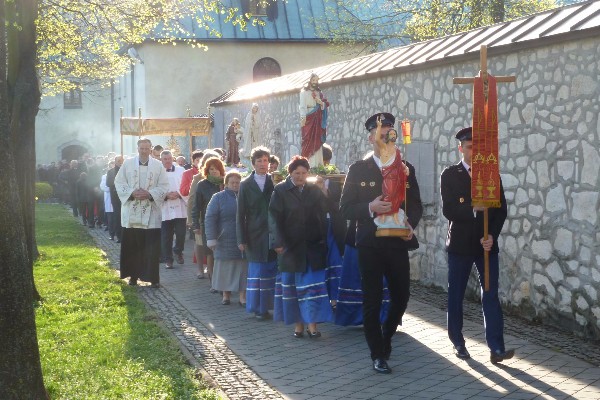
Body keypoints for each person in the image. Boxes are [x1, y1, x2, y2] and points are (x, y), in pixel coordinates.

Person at [339, 112, 423, 374]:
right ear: (371, 138)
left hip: (397, 241)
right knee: (372, 300)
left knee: (401, 296)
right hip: (370, 243)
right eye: (380, 131)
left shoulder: (404, 167)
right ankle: (377, 354)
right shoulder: (358, 169)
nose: (386, 134)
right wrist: (370, 206)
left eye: (389, 130)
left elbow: (416, 205)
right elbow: (345, 208)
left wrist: (410, 224)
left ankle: (386, 336)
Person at [441, 126, 514, 364]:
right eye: (470, 147)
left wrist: (492, 235)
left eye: (478, 147)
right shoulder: (450, 175)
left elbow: (501, 209)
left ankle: (497, 347)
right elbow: (449, 209)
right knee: (456, 295)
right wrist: (472, 210)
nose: (474, 151)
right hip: (460, 246)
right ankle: (458, 342)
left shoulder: (491, 173)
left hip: (485, 246)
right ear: (460, 148)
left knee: (490, 295)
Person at [269, 156, 333, 338]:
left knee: (312, 288)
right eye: (297, 173)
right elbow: (273, 218)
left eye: (304, 173)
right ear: (290, 173)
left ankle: (312, 325)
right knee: (295, 288)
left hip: (313, 246)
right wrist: (277, 242)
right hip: (291, 248)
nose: (300, 176)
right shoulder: (281, 190)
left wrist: (324, 191)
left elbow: (326, 210)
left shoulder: (313, 189)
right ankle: (298, 325)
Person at [114, 138, 169, 288]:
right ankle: (133, 276)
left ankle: (153, 278)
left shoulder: (158, 166)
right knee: (132, 247)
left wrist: (150, 194)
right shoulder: (128, 164)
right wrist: (132, 193)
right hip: (132, 211)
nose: (144, 151)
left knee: (151, 248)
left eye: (146, 148)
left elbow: (164, 185)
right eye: (141, 148)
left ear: (151, 149)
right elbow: (119, 182)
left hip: (151, 213)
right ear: (137, 149)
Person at [236, 146, 277, 320]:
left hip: (273, 232)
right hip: (254, 234)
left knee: (271, 270)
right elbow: (240, 214)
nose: (263, 164)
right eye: (259, 161)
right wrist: (241, 239)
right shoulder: (245, 185)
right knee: (257, 271)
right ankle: (258, 308)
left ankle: (271, 307)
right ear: (253, 164)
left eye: (266, 160)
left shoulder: (275, 182)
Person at [205, 171, 247, 306]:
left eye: (238, 182)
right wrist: (211, 238)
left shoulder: (245, 196)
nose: (235, 185)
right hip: (224, 238)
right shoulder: (218, 197)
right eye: (232, 182)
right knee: (225, 268)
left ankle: (242, 296)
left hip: (242, 238)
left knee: (243, 269)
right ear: (226, 184)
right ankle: (226, 294)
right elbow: (210, 218)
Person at [191, 156, 225, 288]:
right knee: (210, 252)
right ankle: (213, 280)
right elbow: (196, 206)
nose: (214, 171)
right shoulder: (202, 185)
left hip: (224, 222)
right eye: (211, 169)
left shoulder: (225, 182)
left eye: (217, 168)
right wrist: (196, 224)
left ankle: (223, 280)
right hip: (208, 222)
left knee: (222, 252)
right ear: (207, 170)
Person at [187, 150, 218, 279]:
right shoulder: (198, 178)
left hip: (215, 218)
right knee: (199, 243)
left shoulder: (221, 178)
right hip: (200, 216)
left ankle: (214, 271)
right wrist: (192, 220)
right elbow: (192, 199)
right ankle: (200, 268)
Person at [160, 150, 187, 269]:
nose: (167, 161)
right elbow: (154, 187)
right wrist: (165, 195)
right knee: (166, 235)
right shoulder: (157, 172)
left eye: (169, 159)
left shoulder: (181, 170)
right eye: (165, 159)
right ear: (161, 160)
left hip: (180, 206)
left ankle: (178, 250)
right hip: (165, 207)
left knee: (181, 233)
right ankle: (168, 259)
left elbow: (186, 185)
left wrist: (179, 193)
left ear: (173, 159)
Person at [299, 73, 330, 167]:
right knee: (307, 139)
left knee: (317, 139)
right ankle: (308, 164)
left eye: (316, 80)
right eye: (313, 80)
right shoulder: (304, 93)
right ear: (309, 81)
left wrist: (320, 102)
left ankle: (318, 164)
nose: (315, 82)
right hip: (308, 117)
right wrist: (303, 117)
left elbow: (324, 106)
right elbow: (302, 106)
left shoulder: (319, 93)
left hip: (317, 117)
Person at [106, 155, 124, 243]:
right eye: (118, 160)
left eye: (121, 160)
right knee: (117, 216)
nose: (120, 162)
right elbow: (108, 183)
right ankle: (119, 236)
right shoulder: (110, 172)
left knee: (125, 216)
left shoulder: (126, 170)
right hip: (115, 196)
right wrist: (116, 183)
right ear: (115, 161)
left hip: (125, 196)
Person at [99, 164, 115, 240]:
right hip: (109, 198)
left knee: (117, 218)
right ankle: (111, 234)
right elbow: (103, 187)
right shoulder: (104, 176)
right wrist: (112, 189)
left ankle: (118, 234)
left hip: (117, 199)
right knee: (110, 218)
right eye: (110, 167)